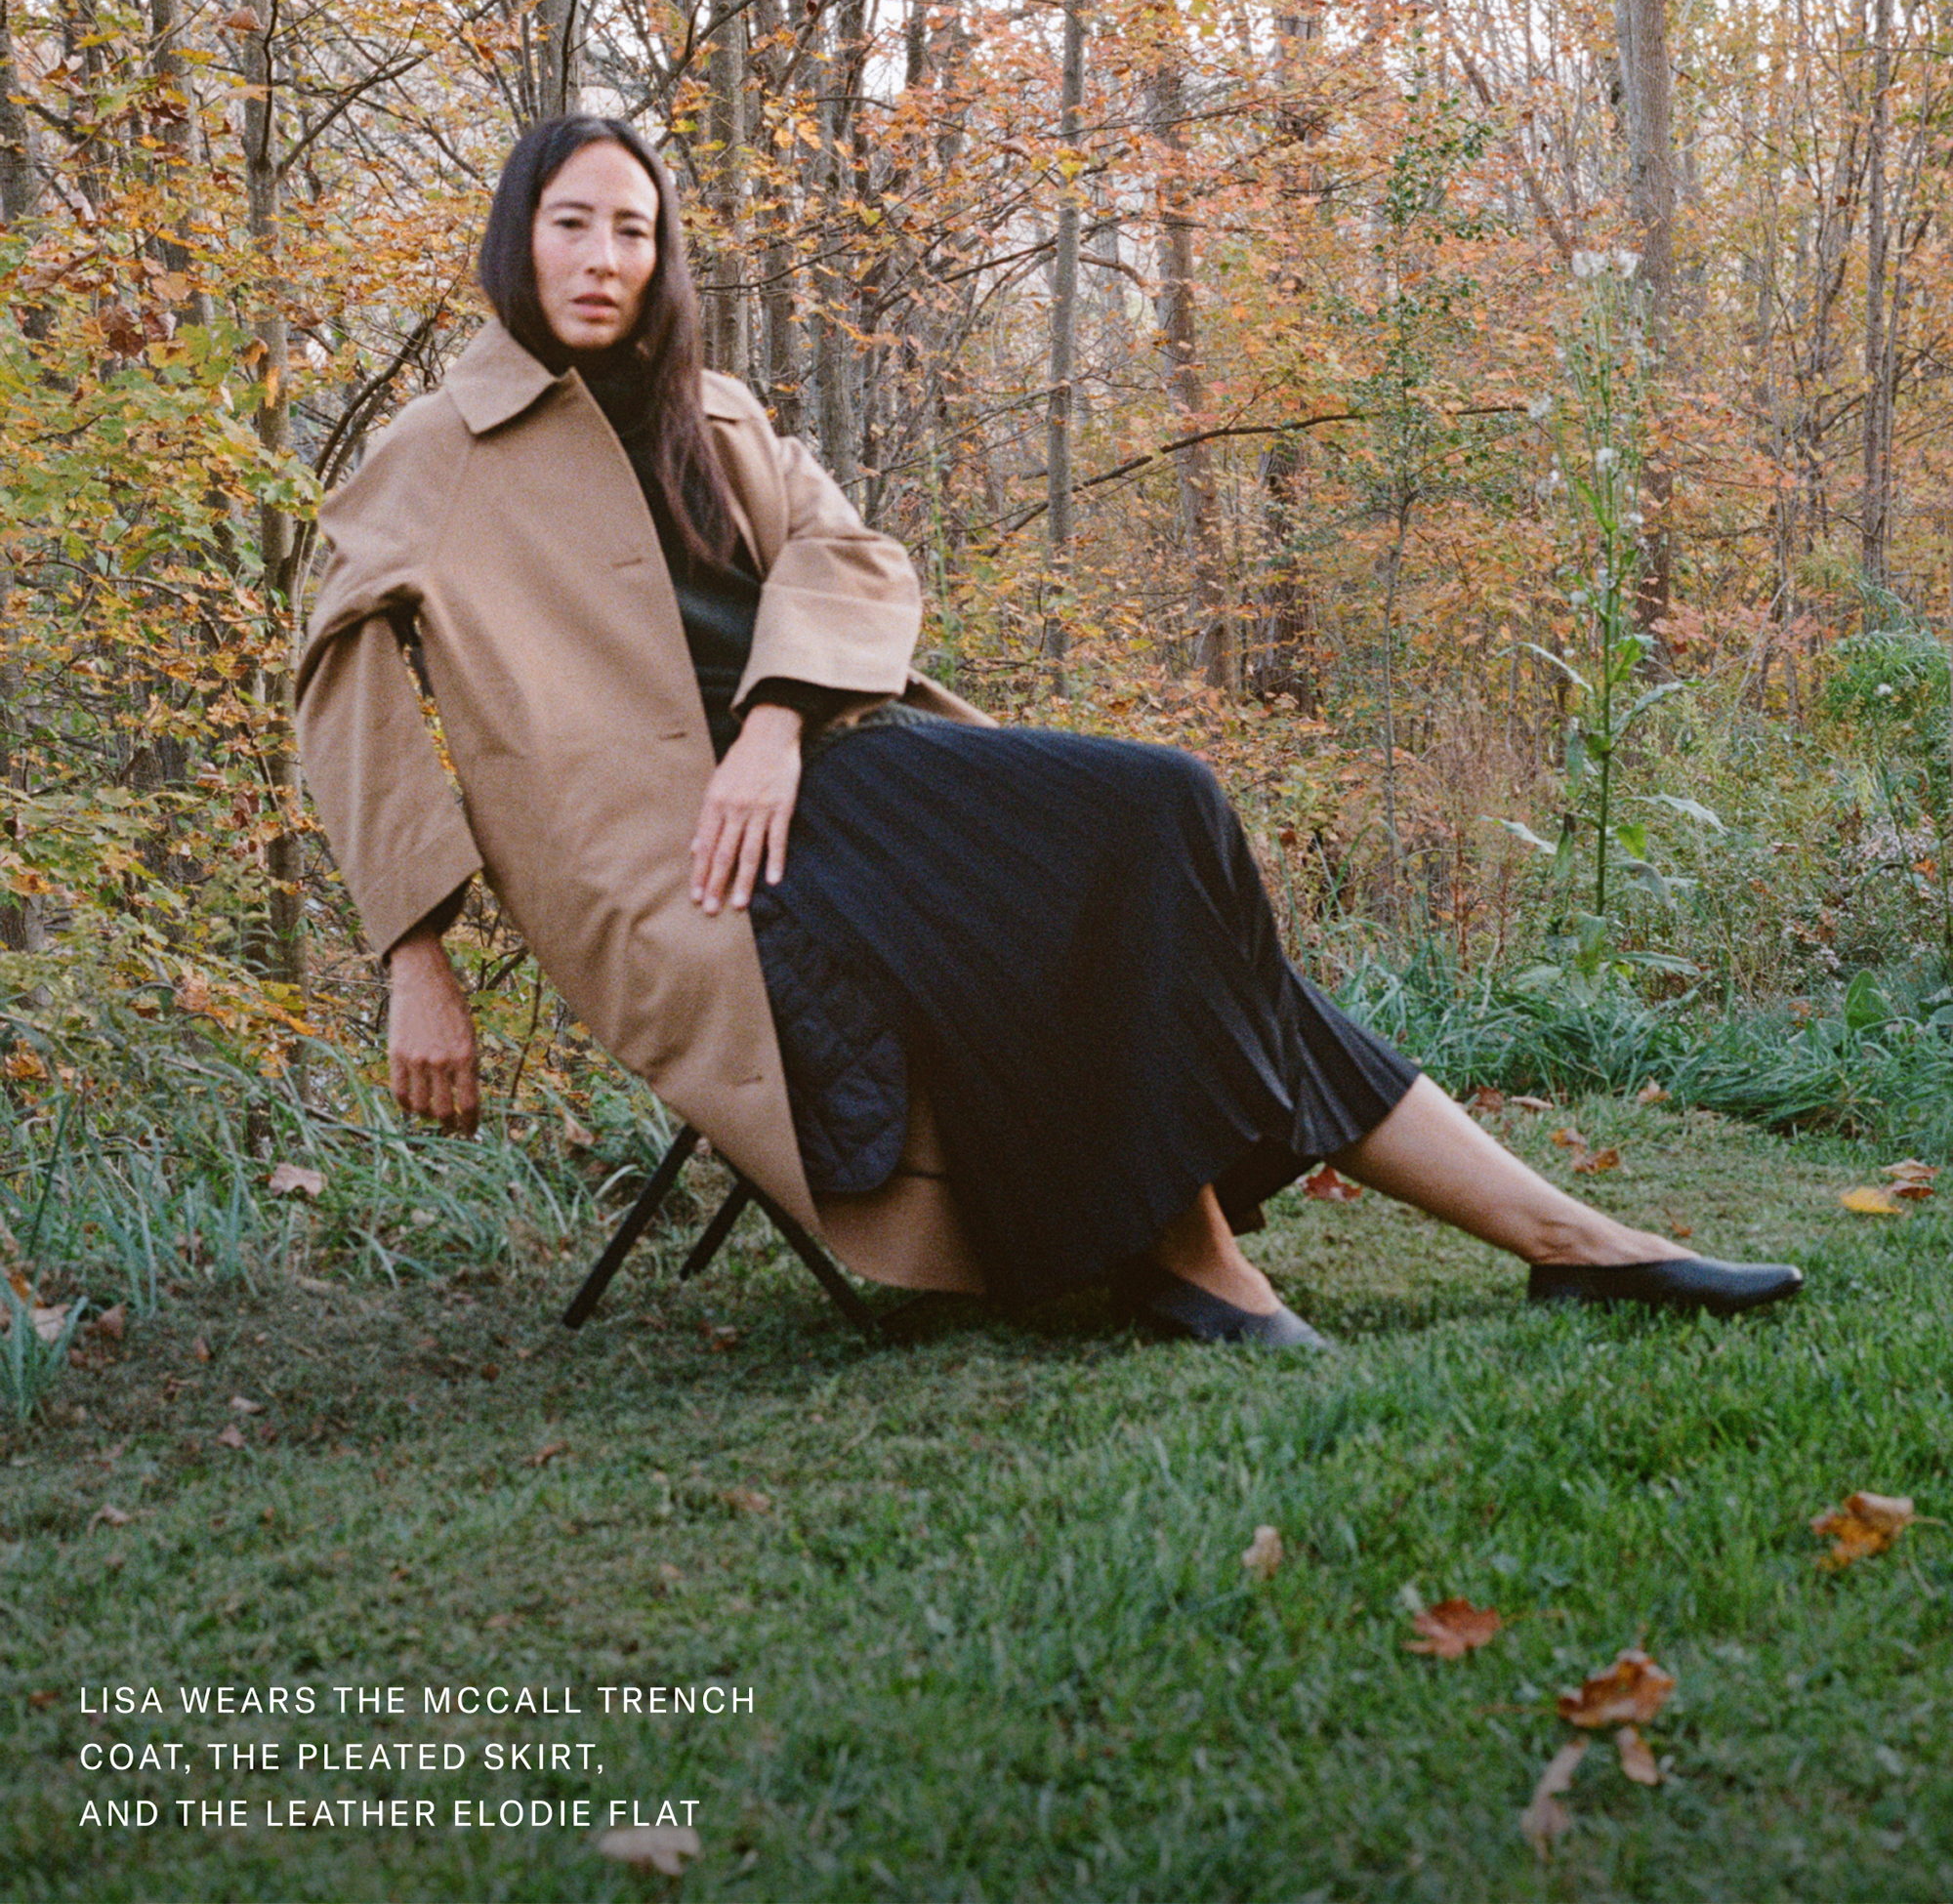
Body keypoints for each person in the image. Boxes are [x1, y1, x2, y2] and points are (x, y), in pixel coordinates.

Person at [294, 116, 1803, 1346]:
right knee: (1158, 810)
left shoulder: (719, 412)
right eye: (573, 222)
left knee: (1160, 859)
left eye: (635, 228)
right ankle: (1225, 1251)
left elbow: (852, 557)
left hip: (830, 769)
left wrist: (770, 719)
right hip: (679, 864)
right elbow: (337, 679)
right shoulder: (435, 456)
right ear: (518, 236)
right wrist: (413, 953)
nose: (605, 256)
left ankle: (1552, 1236)